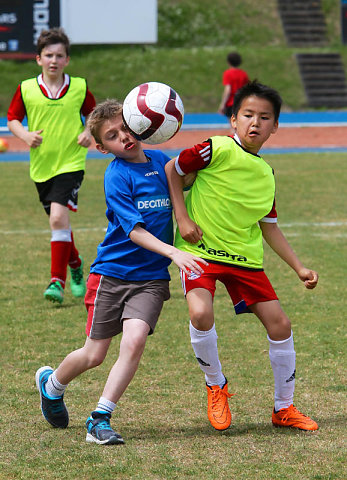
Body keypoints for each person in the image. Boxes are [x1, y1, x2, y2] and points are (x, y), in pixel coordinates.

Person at [35, 99, 207, 445]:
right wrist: (174, 252)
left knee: (134, 342)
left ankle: (100, 418)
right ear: (102, 148)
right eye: (112, 136)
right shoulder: (116, 175)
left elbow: (186, 178)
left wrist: (206, 156)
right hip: (112, 275)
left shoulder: (161, 161)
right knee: (94, 355)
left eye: (127, 128)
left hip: (151, 279)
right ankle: (52, 386)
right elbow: (134, 231)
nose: (124, 138)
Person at [165, 80, 319, 432]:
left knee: (281, 325)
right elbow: (173, 169)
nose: (255, 123)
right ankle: (216, 385)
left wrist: (299, 267)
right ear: (233, 119)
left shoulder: (267, 173)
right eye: (247, 114)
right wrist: (183, 217)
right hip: (200, 251)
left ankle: (284, 407)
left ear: (275, 126)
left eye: (264, 117)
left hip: (244, 259)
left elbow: (270, 227)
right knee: (200, 312)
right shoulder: (214, 148)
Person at [7, 27, 96, 305]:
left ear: (67, 59)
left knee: (58, 218)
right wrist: (24, 135)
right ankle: (76, 263)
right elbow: (12, 119)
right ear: (38, 59)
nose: (53, 60)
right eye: (48, 55)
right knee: (60, 222)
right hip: (42, 166)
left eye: (59, 55)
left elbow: (94, 114)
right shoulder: (26, 89)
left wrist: (89, 132)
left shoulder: (79, 87)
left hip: (71, 163)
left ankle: (56, 281)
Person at [218, 52, 249, 132]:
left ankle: (235, 142)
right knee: (240, 124)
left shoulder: (228, 73)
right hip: (242, 102)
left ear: (228, 62)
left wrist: (222, 104)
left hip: (231, 103)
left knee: (233, 126)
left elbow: (228, 90)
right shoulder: (243, 74)